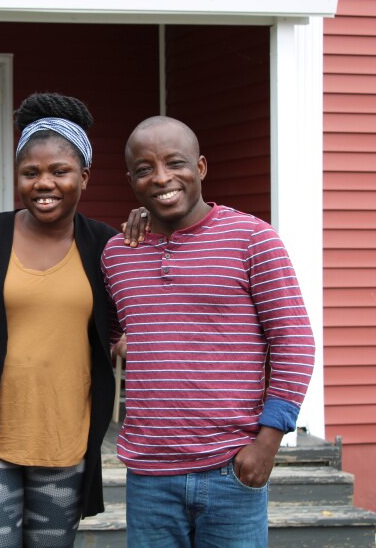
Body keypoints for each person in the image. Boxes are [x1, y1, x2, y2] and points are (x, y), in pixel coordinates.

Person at [101, 115, 316, 547]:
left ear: (200, 167)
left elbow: (294, 342)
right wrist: (135, 344)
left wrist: (267, 443)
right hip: (149, 475)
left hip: (231, 468)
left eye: (175, 163)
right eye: (145, 169)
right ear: (131, 180)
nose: (161, 178)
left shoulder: (252, 239)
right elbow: (108, 330)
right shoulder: (118, 253)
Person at [0, 92, 120, 546]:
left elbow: (155, 291)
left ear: (84, 178)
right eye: (30, 172)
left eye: (59, 171)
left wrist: (144, 221)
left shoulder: (107, 248)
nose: (43, 183)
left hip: (65, 444)